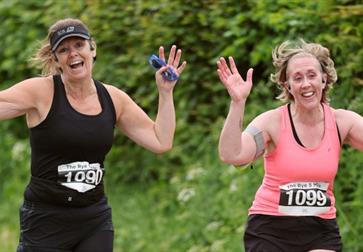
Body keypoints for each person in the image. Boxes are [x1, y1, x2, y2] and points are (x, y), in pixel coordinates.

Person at [0, 18, 186, 252]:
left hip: (93, 220)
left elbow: (161, 141)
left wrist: (165, 93)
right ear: (56, 60)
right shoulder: (40, 92)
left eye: (79, 45)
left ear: (92, 49)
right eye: (64, 50)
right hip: (45, 220)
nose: (73, 54)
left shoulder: (113, 98)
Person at [217, 39, 363, 252]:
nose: (306, 84)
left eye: (312, 75)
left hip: (319, 228)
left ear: (324, 80)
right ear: (288, 86)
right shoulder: (272, 123)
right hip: (270, 228)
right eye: (297, 78)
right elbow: (232, 154)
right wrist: (238, 103)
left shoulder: (342, 122)